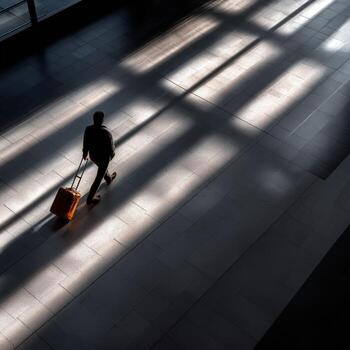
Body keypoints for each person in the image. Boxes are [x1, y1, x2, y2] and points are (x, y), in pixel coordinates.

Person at [83, 111, 116, 205]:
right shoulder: (106, 132)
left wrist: (85, 153)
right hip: (104, 158)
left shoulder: (88, 129)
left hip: (93, 156)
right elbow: (111, 147)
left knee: (102, 169)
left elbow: (85, 142)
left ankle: (109, 178)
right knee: (98, 178)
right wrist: (112, 155)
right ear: (102, 120)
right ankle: (90, 199)